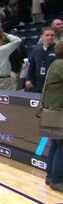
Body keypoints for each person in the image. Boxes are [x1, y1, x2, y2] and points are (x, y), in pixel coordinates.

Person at [39, 41, 63, 192]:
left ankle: (50, 176)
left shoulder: (54, 64)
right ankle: (57, 179)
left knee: (56, 144)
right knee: (62, 146)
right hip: (59, 110)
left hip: (52, 110)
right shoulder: (61, 65)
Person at [26, 27, 56, 93]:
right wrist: (28, 79)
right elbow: (31, 66)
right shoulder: (36, 49)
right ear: (42, 36)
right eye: (47, 35)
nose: (50, 37)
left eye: (52, 35)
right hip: (38, 83)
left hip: (52, 83)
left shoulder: (57, 49)